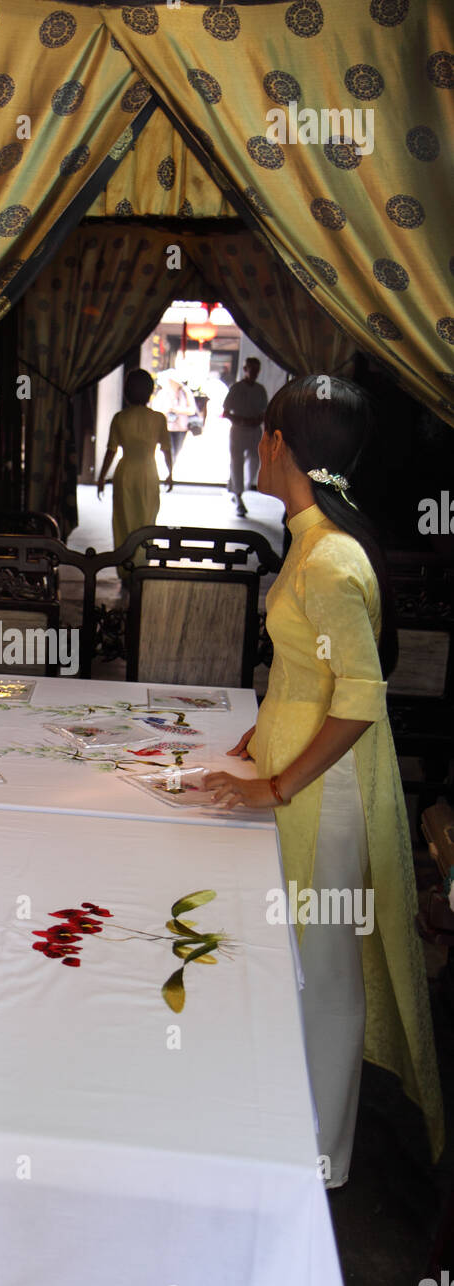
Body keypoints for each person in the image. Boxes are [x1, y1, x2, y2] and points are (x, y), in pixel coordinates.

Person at [203, 376, 443, 1187]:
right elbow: (316, 672)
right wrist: (267, 722)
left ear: (278, 445)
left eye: (265, 435)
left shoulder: (329, 558)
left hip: (324, 792)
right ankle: (283, 1124)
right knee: (296, 956)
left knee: (324, 964)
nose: (259, 447)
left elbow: (361, 698)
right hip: (301, 767)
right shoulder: (312, 541)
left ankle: (319, 1161)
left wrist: (275, 785)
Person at [96, 369, 172, 577]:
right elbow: (166, 449)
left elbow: (111, 450)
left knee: (123, 520)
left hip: (125, 472)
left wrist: (102, 477)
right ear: (150, 392)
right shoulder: (158, 419)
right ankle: (141, 567)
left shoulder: (120, 418)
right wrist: (170, 474)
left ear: (126, 392)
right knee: (146, 519)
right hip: (148, 473)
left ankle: (125, 568)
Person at [223, 357, 268, 517]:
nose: (254, 373)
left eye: (257, 370)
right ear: (245, 369)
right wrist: (241, 420)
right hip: (238, 430)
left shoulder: (260, 390)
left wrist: (258, 420)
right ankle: (238, 495)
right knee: (237, 461)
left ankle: (238, 486)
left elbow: (264, 411)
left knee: (254, 461)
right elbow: (226, 412)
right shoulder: (236, 388)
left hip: (254, 430)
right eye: (251, 369)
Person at [158, 369, 197, 468]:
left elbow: (192, 410)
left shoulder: (185, 392)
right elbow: (157, 410)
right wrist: (167, 411)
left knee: (177, 451)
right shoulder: (163, 393)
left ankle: (170, 472)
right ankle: (169, 472)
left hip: (181, 428)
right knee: (169, 450)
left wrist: (177, 410)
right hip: (167, 427)